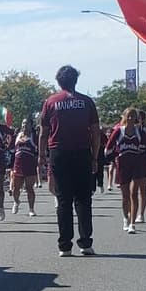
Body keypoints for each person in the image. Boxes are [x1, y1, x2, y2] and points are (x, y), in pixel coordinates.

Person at [38, 66, 100, 258]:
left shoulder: (50, 102)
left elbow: (43, 133)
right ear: (76, 80)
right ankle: (85, 242)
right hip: (82, 153)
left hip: (59, 153)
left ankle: (65, 245)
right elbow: (96, 132)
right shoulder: (87, 102)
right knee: (83, 199)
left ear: (58, 81)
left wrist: (41, 156)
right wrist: (95, 157)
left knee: (63, 200)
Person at [108, 106, 146, 234]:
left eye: (133, 116)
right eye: (129, 116)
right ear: (125, 117)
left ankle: (132, 223)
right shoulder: (119, 131)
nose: (131, 118)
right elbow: (108, 147)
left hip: (136, 164)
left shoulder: (139, 131)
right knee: (125, 196)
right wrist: (113, 156)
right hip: (122, 165)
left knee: (134, 193)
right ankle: (125, 218)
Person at [10, 117, 39, 217]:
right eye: (23, 123)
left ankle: (31, 209)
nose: (24, 125)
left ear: (31, 125)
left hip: (29, 165)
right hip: (17, 165)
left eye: (26, 123)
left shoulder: (34, 136)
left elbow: (38, 149)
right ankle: (16, 201)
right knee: (15, 188)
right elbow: (11, 148)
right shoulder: (17, 135)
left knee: (29, 188)